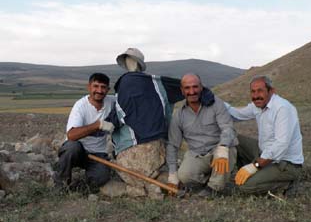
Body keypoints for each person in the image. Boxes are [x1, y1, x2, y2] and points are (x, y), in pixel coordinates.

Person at [108, 48, 184, 197]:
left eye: (129, 59)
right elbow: (185, 87)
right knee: (152, 172)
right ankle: (158, 184)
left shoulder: (127, 81)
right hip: (157, 142)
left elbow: (120, 111)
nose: (127, 63)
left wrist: (109, 123)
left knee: (131, 172)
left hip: (133, 144)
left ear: (136, 63)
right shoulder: (155, 83)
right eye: (126, 60)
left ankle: (143, 188)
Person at [226, 75, 304, 195]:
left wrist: (255, 166)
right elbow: (236, 114)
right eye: (253, 91)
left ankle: (288, 183)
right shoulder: (258, 105)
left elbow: (280, 145)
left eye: (260, 91)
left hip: (285, 163)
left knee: (245, 186)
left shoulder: (282, 108)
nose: (256, 95)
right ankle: (249, 173)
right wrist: (215, 102)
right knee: (234, 139)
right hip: (265, 154)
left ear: (271, 91)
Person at [166, 73, 238, 197]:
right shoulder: (178, 115)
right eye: (187, 88)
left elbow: (227, 128)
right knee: (184, 176)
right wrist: (172, 175)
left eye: (195, 87)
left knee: (227, 152)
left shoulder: (216, 104)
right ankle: (214, 179)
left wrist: (223, 146)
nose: (192, 91)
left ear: (201, 87)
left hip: (219, 150)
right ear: (182, 91)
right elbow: (173, 145)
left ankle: (214, 188)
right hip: (198, 154)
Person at [54, 73, 115, 192]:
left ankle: (79, 186)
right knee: (71, 147)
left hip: (98, 154)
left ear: (108, 89)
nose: (99, 90)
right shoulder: (80, 106)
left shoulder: (112, 101)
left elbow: (129, 99)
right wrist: (98, 125)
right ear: (89, 87)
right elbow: (71, 135)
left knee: (101, 178)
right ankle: (61, 184)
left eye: (103, 87)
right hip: (79, 151)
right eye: (95, 86)